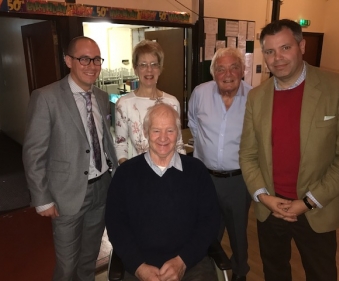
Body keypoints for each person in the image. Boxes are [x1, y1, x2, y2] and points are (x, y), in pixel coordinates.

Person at [239, 19, 339, 281]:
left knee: (321, 274)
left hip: (316, 208)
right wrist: (263, 197)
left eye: (285, 47)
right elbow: (248, 155)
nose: (277, 58)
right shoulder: (256, 97)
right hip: (271, 206)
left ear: (302, 46)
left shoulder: (338, 88)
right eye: (269, 51)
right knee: (274, 272)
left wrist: (308, 202)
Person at [22, 36, 118, 281]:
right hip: (67, 194)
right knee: (67, 266)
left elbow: (103, 141)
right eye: (84, 58)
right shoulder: (46, 97)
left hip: (101, 188)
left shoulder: (101, 97)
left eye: (96, 59)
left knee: (89, 259)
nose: (92, 65)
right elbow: (34, 152)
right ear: (68, 60)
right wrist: (42, 199)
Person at [106, 103, 220, 281]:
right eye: (156, 131)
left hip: (190, 263)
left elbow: (209, 221)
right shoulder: (125, 174)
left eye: (170, 130)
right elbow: (116, 225)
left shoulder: (196, 171)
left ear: (178, 133)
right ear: (145, 132)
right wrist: (138, 267)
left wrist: (182, 261)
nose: (163, 138)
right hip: (139, 265)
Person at [188, 47, 252, 281]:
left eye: (234, 67)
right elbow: (194, 123)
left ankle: (240, 273)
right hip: (205, 178)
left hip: (238, 180)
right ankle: (208, 271)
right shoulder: (200, 93)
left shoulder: (254, 97)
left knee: (238, 233)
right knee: (206, 229)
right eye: (221, 68)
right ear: (213, 72)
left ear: (242, 70)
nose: (228, 73)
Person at [114, 39, 185, 164]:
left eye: (154, 64)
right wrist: (129, 173)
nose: (149, 70)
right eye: (143, 65)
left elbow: (178, 144)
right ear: (135, 69)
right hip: (138, 175)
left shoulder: (172, 103)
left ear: (160, 68)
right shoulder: (124, 104)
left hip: (169, 172)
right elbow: (121, 145)